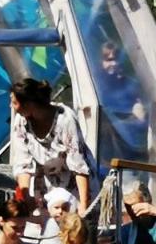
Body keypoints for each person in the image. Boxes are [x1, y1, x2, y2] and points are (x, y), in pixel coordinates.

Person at [9, 77, 94, 215]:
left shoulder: (65, 119)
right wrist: (26, 197)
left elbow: (79, 165)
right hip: (46, 189)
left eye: (14, 102)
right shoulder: (21, 122)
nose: (11, 107)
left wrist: (84, 205)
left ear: (29, 104)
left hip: (75, 187)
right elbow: (23, 163)